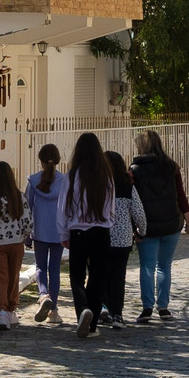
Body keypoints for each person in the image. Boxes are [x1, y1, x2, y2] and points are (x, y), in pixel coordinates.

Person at [130, 129, 189, 322]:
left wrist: (133, 227)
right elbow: (181, 196)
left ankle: (147, 307)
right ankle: (163, 307)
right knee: (164, 266)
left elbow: (132, 200)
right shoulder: (171, 167)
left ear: (142, 146)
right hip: (171, 223)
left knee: (147, 266)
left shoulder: (135, 170)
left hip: (147, 226)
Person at [63, 131, 114, 338]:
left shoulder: (72, 175)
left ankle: (83, 309)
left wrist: (63, 232)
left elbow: (63, 207)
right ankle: (91, 325)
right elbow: (111, 207)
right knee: (98, 277)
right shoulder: (106, 176)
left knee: (76, 276)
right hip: (101, 231)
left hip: (78, 232)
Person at [0, 161, 31, 330]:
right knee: (14, 276)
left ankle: (2, 311)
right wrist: (22, 236)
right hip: (16, 242)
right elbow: (27, 222)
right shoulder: (19, 196)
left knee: (0, 277)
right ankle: (10, 309)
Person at [101, 150, 146, 329]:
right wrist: (142, 232)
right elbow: (139, 213)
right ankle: (117, 315)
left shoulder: (98, 187)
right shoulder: (128, 187)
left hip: (101, 237)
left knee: (101, 274)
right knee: (118, 277)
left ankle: (103, 306)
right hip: (122, 240)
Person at [25, 144, 69, 325]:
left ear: (41, 161)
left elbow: (27, 207)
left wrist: (26, 235)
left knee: (40, 267)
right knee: (55, 269)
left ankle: (44, 295)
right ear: (57, 160)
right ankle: (54, 311)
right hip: (58, 232)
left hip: (39, 231)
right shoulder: (64, 181)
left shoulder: (33, 181)